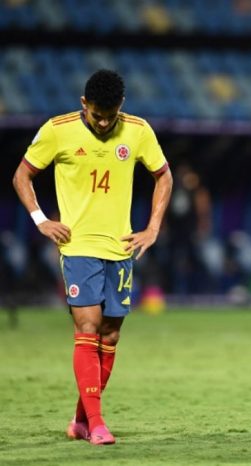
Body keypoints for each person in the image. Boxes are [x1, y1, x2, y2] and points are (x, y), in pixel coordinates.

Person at [12, 69, 173, 445]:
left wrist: (152, 228)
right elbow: (22, 175)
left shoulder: (138, 130)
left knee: (111, 334)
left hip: (121, 248)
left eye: (110, 115)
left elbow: (164, 176)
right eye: (96, 114)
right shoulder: (58, 129)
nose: (103, 123)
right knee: (87, 328)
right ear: (84, 104)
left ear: (121, 107)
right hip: (78, 246)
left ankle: (81, 419)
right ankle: (98, 424)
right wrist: (40, 220)